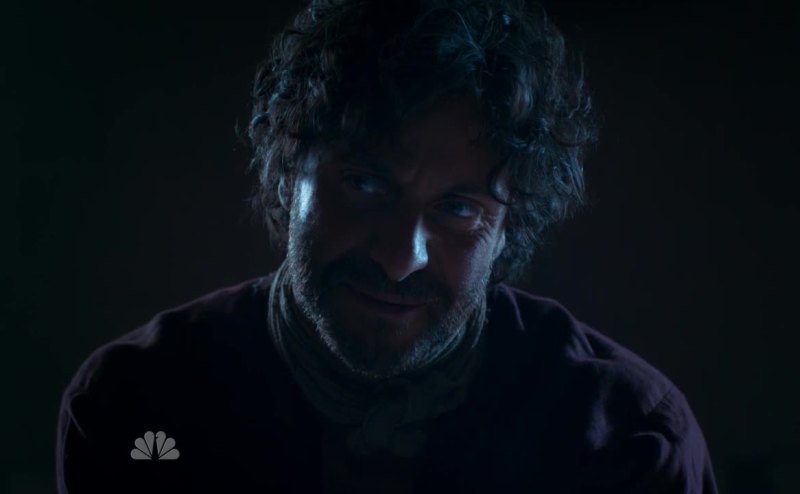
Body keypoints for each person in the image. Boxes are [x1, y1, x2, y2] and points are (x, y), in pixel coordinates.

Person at [56, 0, 719, 492]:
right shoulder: (136, 403)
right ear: (288, 175)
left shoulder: (623, 435)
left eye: (458, 209)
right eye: (367, 184)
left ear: (508, 229)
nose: (401, 259)